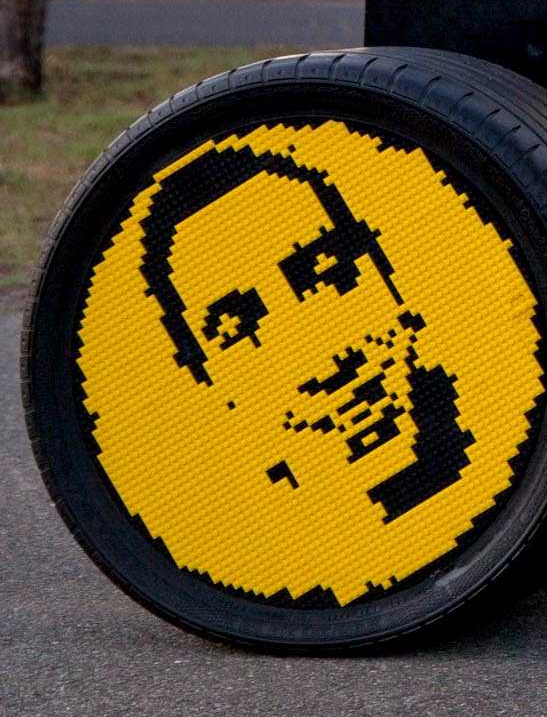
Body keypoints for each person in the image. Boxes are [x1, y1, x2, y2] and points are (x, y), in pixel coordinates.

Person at [139, 145, 474, 521]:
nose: (318, 353)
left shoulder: (502, 399)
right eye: (240, 327)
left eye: (326, 273)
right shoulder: (247, 536)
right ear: (207, 373)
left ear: (382, 270)